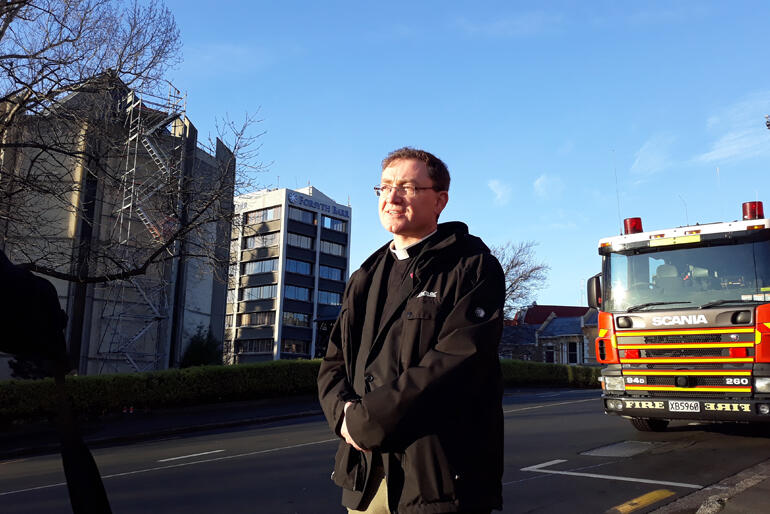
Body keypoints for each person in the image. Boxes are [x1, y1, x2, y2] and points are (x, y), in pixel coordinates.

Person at [318, 147, 505, 513]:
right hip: (366, 474)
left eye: (407, 187)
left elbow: (457, 362)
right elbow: (334, 359)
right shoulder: (366, 276)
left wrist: (368, 420)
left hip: (436, 476)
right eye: (385, 187)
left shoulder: (472, 268)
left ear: (440, 200)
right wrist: (343, 417)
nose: (391, 197)